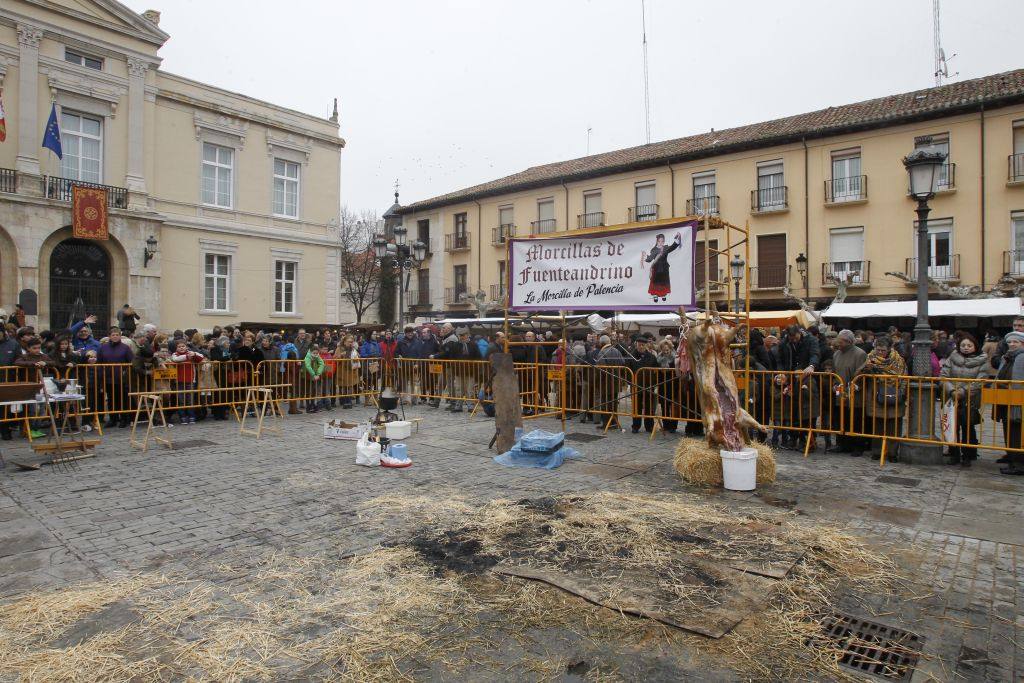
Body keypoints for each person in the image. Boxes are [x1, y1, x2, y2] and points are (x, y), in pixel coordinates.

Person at [939, 332, 987, 467]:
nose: (966, 347)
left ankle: (968, 454)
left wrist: (963, 391)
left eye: (969, 345)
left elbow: (980, 381)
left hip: (969, 399)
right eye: (963, 345)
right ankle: (953, 453)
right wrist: (952, 390)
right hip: (951, 398)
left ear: (975, 346)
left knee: (968, 427)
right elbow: (943, 375)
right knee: (952, 426)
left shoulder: (982, 360)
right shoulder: (952, 357)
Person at [770, 325, 820, 451]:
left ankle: (808, 441)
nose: (794, 340)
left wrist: (812, 365)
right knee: (791, 410)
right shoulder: (785, 342)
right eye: (791, 338)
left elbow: (815, 354)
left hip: (806, 376)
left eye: (795, 337)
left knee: (806, 411)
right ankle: (793, 438)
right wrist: (782, 373)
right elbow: (780, 360)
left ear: (799, 333)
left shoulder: (811, 340)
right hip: (791, 377)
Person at [856, 336, 907, 460]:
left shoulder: (898, 360)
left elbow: (904, 377)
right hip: (876, 394)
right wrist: (865, 370)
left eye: (882, 350)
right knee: (877, 425)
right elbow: (859, 375)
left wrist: (902, 392)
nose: (879, 352)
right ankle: (877, 451)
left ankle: (892, 453)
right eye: (878, 349)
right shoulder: (870, 358)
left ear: (889, 349)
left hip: (894, 394)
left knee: (894, 426)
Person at [831, 330, 868, 456]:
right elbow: (835, 373)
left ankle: (858, 446)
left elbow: (862, 375)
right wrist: (835, 385)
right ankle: (842, 444)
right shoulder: (836, 354)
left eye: (840, 341)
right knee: (841, 419)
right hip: (840, 393)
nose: (838, 343)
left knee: (856, 420)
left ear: (848, 342)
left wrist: (854, 388)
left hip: (855, 394)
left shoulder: (860, 354)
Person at [996, 331, 1024, 475]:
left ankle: (1019, 464)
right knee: (1009, 430)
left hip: (1018, 401)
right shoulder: (1006, 357)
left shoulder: (1021, 358)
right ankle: (1012, 458)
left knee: (1017, 433)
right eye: (1010, 342)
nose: (1012, 344)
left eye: (1016, 342)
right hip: (1005, 398)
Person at [628, 336, 659, 433]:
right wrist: (631, 383)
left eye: (643, 345)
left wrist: (654, 384)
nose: (641, 347)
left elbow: (656, 371)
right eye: (639, 345)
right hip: (635, 386)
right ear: (636, 345)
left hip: (648, 386)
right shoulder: (631, 356)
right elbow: (627, 371)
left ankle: (649, 426)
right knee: (636, 407)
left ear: (646, 345)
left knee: (649, 407)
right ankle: (635, 426)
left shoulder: (652, 357)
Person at [641, 232, 682, 302]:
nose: (661, 242)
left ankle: (663, 294)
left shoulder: (665, 248)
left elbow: (672, 247)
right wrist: (645, 256)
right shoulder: (654, 250)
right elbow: (650, 259)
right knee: (656, 281)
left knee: (664, 281)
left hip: (664, 267)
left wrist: (678, 238)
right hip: (656, 268)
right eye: (659, 241)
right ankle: (655, 295)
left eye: (662, 241)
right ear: (657, 241)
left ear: (664, 241)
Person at [595, 334, 625, 430]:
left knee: (605, 403)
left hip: (605, 383)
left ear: (602, 343)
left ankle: (606, 424)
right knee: (614, 403)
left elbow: (601, 370)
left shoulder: (602, 352)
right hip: (616, 381)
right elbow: (623, 363)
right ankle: (614, 422)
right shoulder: (616, 351)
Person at [654, 338, 680, 433]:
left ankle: (673, 426)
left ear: (670, 348)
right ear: (661, 349)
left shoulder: (675, 358)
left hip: (673, 385)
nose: (666, 350)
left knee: (673, 405)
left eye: (667, 348)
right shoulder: (659, 358)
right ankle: (665, 425)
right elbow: (657, 371)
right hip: (663, 385)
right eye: (664, 349)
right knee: (664, 405)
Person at [334, 335, 360, 408]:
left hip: (351, 370)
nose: (350, 343)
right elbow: (334, 358)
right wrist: (341, 355)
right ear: (344, 342)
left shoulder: (353, 349)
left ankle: (348, 400)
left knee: (350, 385)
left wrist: (357, 356)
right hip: (342, 370)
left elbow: (358, 356)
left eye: (351, 342)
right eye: (349, 342)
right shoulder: (339, 348)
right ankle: (343, 399)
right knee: (343, 385)